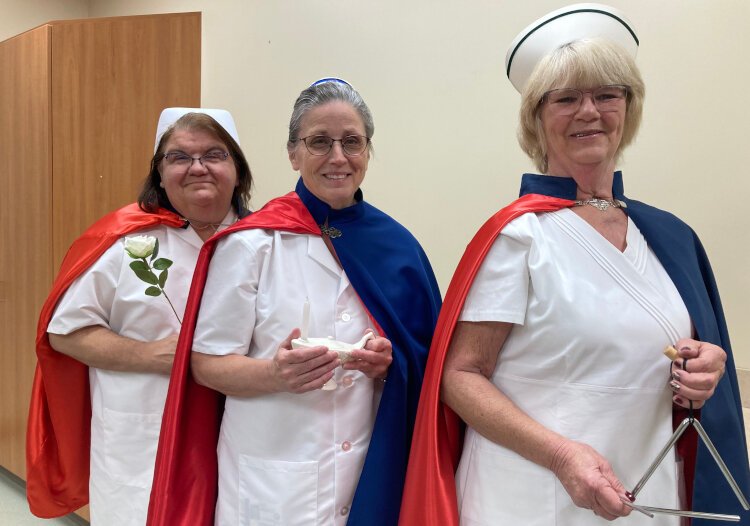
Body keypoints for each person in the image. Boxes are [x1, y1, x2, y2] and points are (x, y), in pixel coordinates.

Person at [400, 4, 750, 525]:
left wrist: (703, 370)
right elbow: (460, 375)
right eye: (566, 98)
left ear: (628, 108)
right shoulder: (519, 236)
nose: (590, 111)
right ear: (537, 120)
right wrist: (563, 456)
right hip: (529, 498)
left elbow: (667, 358)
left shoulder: (669, 238)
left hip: (645, 495)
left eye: (607, 94)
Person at [147, 78, 441, 526]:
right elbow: (206, 363)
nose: (338, 157)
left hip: (369, 468)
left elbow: (426, 363)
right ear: (293, 153)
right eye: (319, 141)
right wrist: (273, 373)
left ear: (367, 151)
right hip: (273, 477)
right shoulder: (251, 245)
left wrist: (388, 365)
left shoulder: (399, 247)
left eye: (352, 142)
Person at [26, 108, 253, 524]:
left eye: (214, 154)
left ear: (237, 170)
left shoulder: (267, 243)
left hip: (238, 436)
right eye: (179, 157)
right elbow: (64, 333)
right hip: (142, 441)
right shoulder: (126, 242)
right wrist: (149, 355)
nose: (197, 167)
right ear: (160, 175)